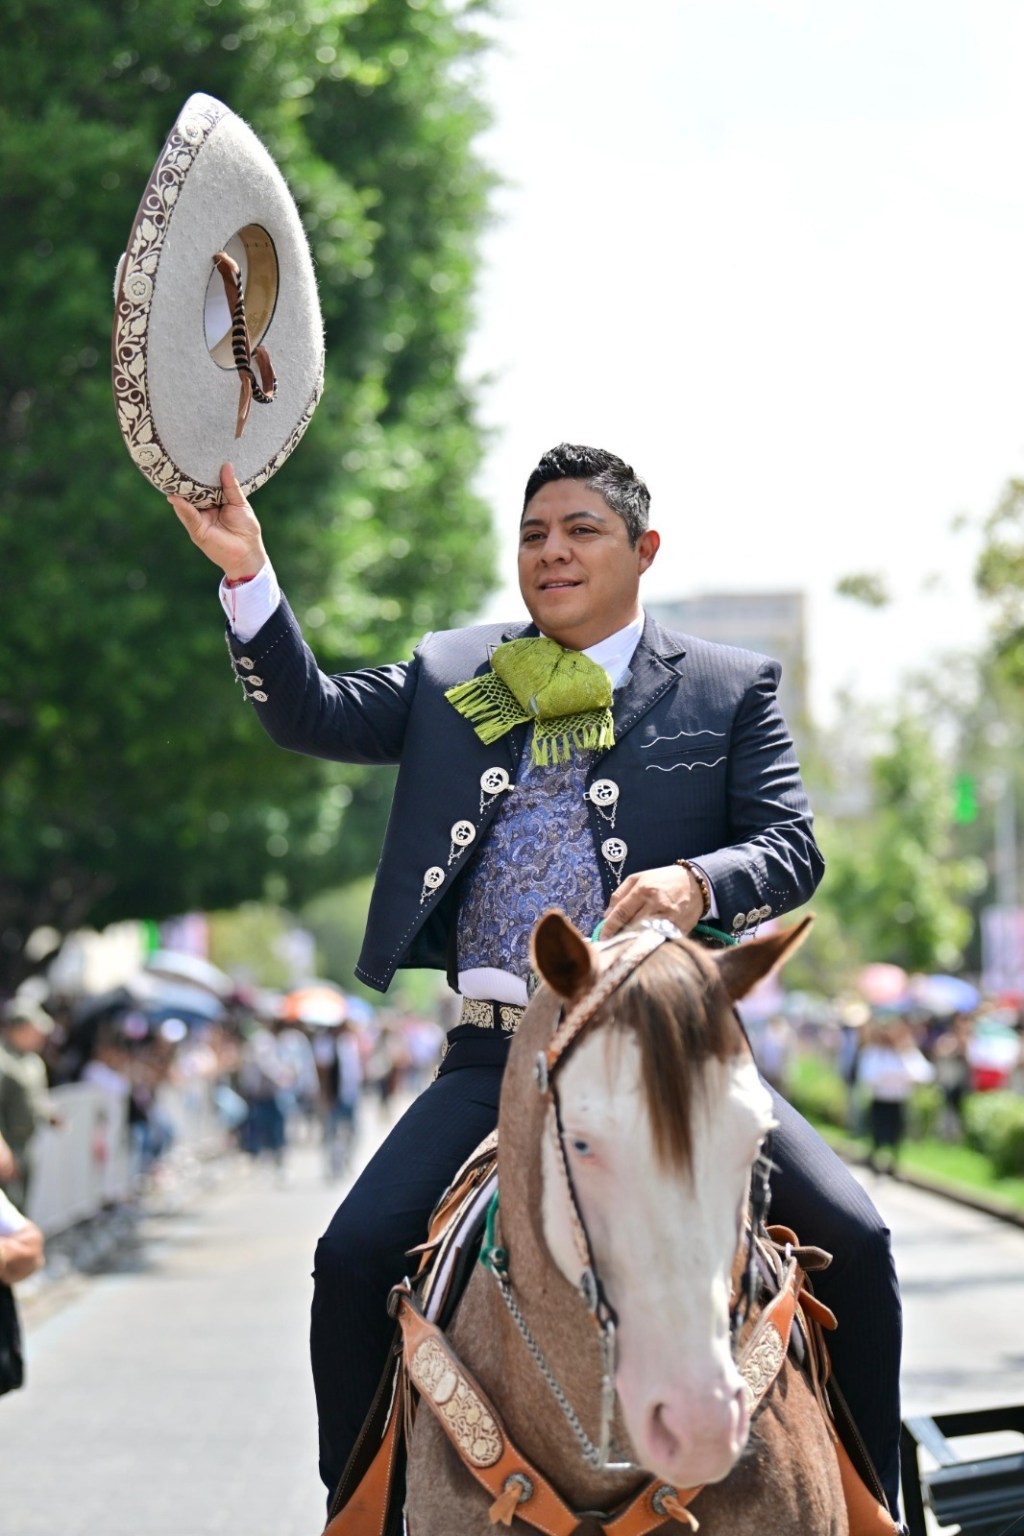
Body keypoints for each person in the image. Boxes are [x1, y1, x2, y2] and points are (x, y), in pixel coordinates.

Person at [170, 443, 904, 1518]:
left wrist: (697, 883)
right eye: (532, 535)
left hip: (666, 1053)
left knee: (861, 1237)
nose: (551, 552)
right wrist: (248, 573)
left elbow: (792, 845)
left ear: (643, 551)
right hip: (491, 1052)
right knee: (353, 1251)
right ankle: (358, 1509)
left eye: (580, 532)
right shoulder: (454, 671)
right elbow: (310, 712)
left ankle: (872, 1501)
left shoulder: (726, 686)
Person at [857, 1019, 935, 1174]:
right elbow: (867, 1075)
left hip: (899, 1100)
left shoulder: (907, 1054)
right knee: (877, 1130)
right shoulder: (875, 1052)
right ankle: (874, 1157)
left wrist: (904, 1075)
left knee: (897, 1132)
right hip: (880, 1098)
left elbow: (926, 1073)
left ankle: (893, 1161)